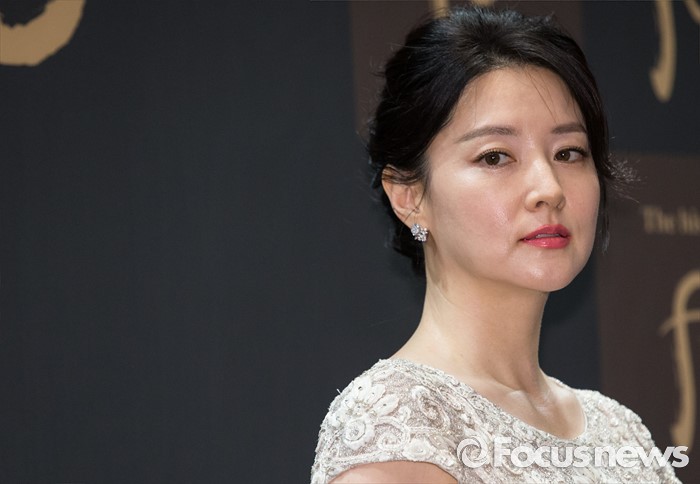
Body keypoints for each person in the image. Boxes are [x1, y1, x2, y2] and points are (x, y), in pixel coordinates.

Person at [311, 7, 681, 483]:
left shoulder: (620, 431)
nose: (549, 188)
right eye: (495, 157)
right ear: (408, 196)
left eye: (568, 152)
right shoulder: (398, 430)